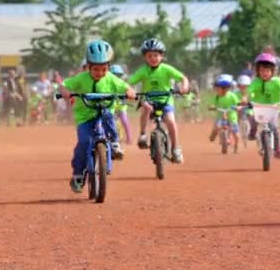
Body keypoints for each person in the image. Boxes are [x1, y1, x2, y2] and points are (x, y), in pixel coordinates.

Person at [59, 40, 135, 193]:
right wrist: (64, 91)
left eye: (104, 69)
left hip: (105, 111)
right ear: (88, 66)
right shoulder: (81, 78)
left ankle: (114, 143)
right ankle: (78, 174)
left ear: (108, 66)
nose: (100, 73)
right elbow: (64, 84)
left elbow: (125, 86)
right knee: (84, 142)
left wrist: (130, 92)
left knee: (108, 116)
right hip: (85, 116)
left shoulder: (111, 78)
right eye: (96, 69)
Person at [128, 38, 189, 164]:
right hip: (148, 99)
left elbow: (182, 78)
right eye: (149, 56)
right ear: (145, 57)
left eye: (156, 55)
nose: (153, 58)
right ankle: (143, 135)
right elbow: (129, 82)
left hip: (165, 100)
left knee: (171, 121)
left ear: (162, 56)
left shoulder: (166, 69)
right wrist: (130, 91)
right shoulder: (142, 71)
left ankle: (176, 149)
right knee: (146, 108)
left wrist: (184, 86)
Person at [241, 53, 280, 158]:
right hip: (259, 106)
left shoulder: (277, 81)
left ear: (272, 71)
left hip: (273, 107)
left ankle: (278, 149)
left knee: (274, 128)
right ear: (258, 71)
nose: (264, 73)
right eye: (262, 70)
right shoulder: (256, 81)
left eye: (267, 70)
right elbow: (249, 91)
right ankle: (253, 131)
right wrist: (245, 98)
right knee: (253, 120)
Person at [208, 74, 241, 152]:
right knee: (217, 127)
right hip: (220, 115)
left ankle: (236, 144)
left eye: (218, 88)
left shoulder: (232, 96)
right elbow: (212, 104)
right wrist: (212, 107)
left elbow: (238, 104)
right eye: (217, 87)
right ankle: (214, 133)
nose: (217, 90)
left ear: (226, 88)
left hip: (231, 116)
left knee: (235, 133)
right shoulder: (216, 97)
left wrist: (238, 107)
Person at [110, 64, 132, 144]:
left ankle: (129, 137)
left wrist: (128, 96)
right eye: (113, 74)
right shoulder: (108, 84)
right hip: (111, 104)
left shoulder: (122, 83)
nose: (116, 76)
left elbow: (129, 91)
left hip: (121, 104)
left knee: (124, 118)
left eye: (118, 75)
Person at [234, 75, 258, 140]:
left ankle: (252, 134)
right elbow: (232, 101)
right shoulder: (235, 93)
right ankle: (234, 131)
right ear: (238, 86)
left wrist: (253, 104)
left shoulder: (251, 93)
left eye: (245, 86)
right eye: (241, 86)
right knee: (234, 119)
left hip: (248, 110)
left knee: (253, 121)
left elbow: (255, 100)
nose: (243, 88)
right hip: (238, 110)